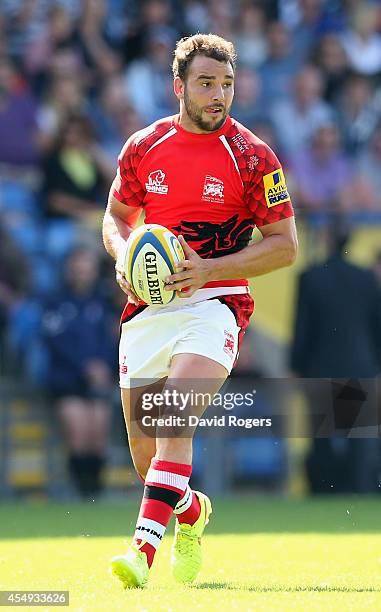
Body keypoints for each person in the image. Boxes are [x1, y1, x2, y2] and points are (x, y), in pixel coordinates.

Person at [102, 33, 297, 589]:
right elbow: (116, 216)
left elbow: (285, 244)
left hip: (216, 304)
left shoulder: (253, 156)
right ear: (179, 87)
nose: (219, 95)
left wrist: (209, 270)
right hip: (149, 308)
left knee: (174, 414)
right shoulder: (143, 146)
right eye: (206, 84)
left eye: (227, 84)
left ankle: (141, 553)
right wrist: (121, 255)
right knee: (148, 461)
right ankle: (189, 511)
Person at [290, 225, 381, 493]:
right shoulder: (365, 278)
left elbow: (302, 327)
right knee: (359, 437)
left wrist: (296, 366)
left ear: (325, 239)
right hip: (359, 365)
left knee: (322, 436)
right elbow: (376, 326)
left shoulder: (310, 277)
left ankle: (323, 491)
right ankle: (360, 491)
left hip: (321, 368)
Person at [41, 246, 117, 498]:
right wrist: (85, 365)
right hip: (67, 379)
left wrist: (105, 365)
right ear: (69, 270)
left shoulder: (102, 302)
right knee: (78, 433)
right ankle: (80, 491)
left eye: (87, 267)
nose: (82, 272)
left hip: (99, 378)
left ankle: (96, 491)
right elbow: (56, 340)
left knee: (98, 433)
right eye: (77, 267)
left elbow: (112, 339)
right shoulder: (55, 301)